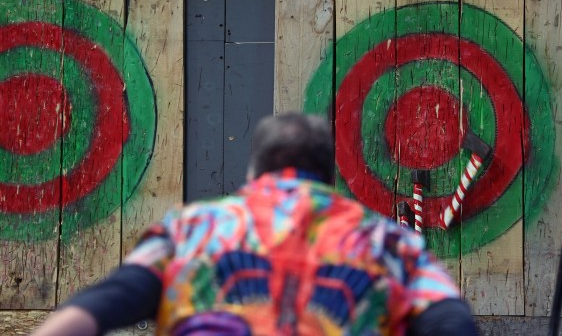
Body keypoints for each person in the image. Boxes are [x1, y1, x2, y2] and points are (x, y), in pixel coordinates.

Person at [31, 112, 478, 336]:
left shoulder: (191, 230)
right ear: (328, 176)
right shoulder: (390, 244)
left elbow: (103, 304)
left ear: (253, 173)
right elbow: (453, 322)